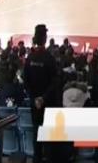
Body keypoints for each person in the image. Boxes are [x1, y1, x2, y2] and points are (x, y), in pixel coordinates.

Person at [23, 24, 58, 163]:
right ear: (44, 38)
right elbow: (54, 82)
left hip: (34, 103)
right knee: (48, 134)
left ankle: (37, 159)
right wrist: (43, 98)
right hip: (47, 102)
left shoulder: (29, 58)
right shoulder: (49, 58)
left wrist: (34, 98)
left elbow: (26, 82)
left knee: (36, 132)